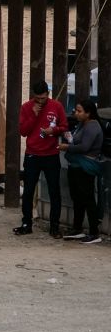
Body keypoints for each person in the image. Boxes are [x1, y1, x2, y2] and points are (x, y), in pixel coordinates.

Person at [16, 80, 68, 237]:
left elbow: (64, 127)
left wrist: (53, 131)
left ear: (48, 94)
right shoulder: (26, 107)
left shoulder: (56, 106)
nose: (40, 101)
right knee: (29, 191)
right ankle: (26, 223)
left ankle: (54, 226)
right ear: (34, 96)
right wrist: (33, 114)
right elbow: (23, 131)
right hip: (32, 154)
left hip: (51, 155)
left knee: (54, 191)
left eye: (43, 98)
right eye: (37, 98)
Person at [58, 100, 104, 244]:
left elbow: (84, 147)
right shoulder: (82, 125)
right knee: (77, 198)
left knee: (87, 198)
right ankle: (77, 228)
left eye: (79, 111)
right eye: (76, 111)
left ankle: (94, 232)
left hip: (85, 167)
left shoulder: (92, 126)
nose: (76, 113)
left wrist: (66, 147)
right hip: (76, 166)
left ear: (88, 113)